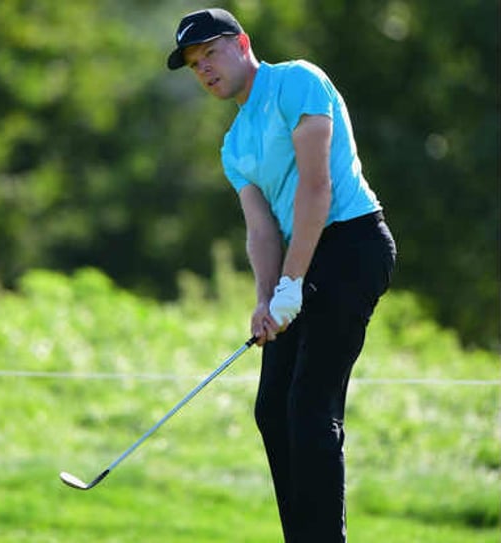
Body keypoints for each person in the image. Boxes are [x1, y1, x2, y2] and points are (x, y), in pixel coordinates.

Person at [166, 8, 396, 542]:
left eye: (211, 53)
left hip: (353, 245)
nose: (205, 69)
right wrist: (266, 299)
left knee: (310, 407)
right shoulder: (234, 144)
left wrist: (291, 284)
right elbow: (262, 230)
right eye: (195, 64)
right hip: (305, 257)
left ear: (243, 43)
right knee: (272, 409)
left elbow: (317, 189)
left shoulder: (297, 82)